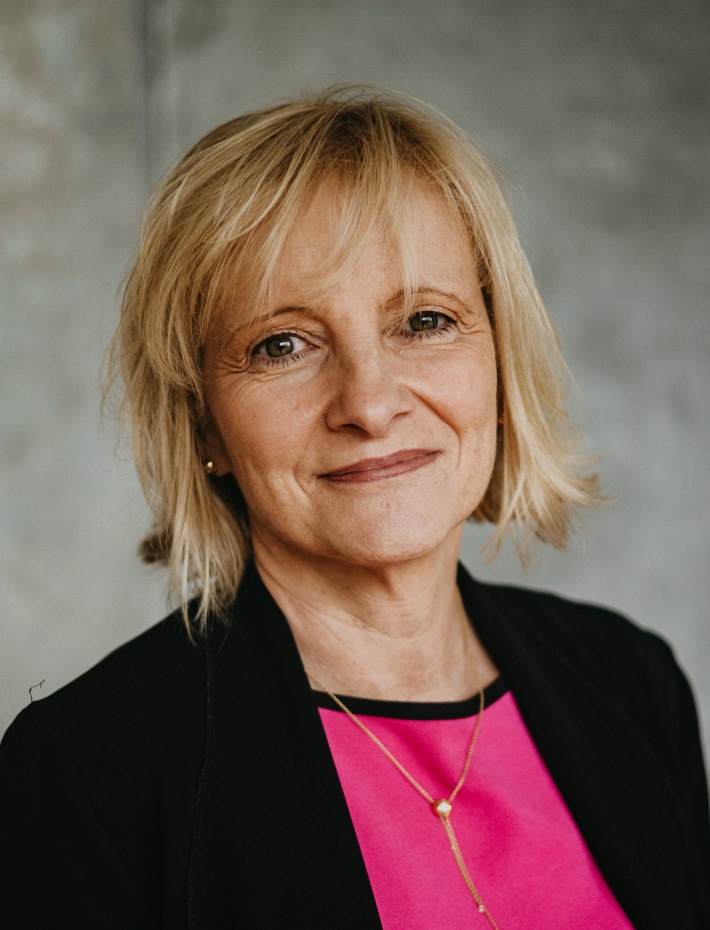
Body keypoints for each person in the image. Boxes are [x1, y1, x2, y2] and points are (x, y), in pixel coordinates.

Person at [1, 86, 708, 930]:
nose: (369, 403)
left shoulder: (631, 683)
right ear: (204, 422)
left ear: (498, 360)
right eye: (282, 345)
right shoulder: (87, 771)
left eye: (425, 321)